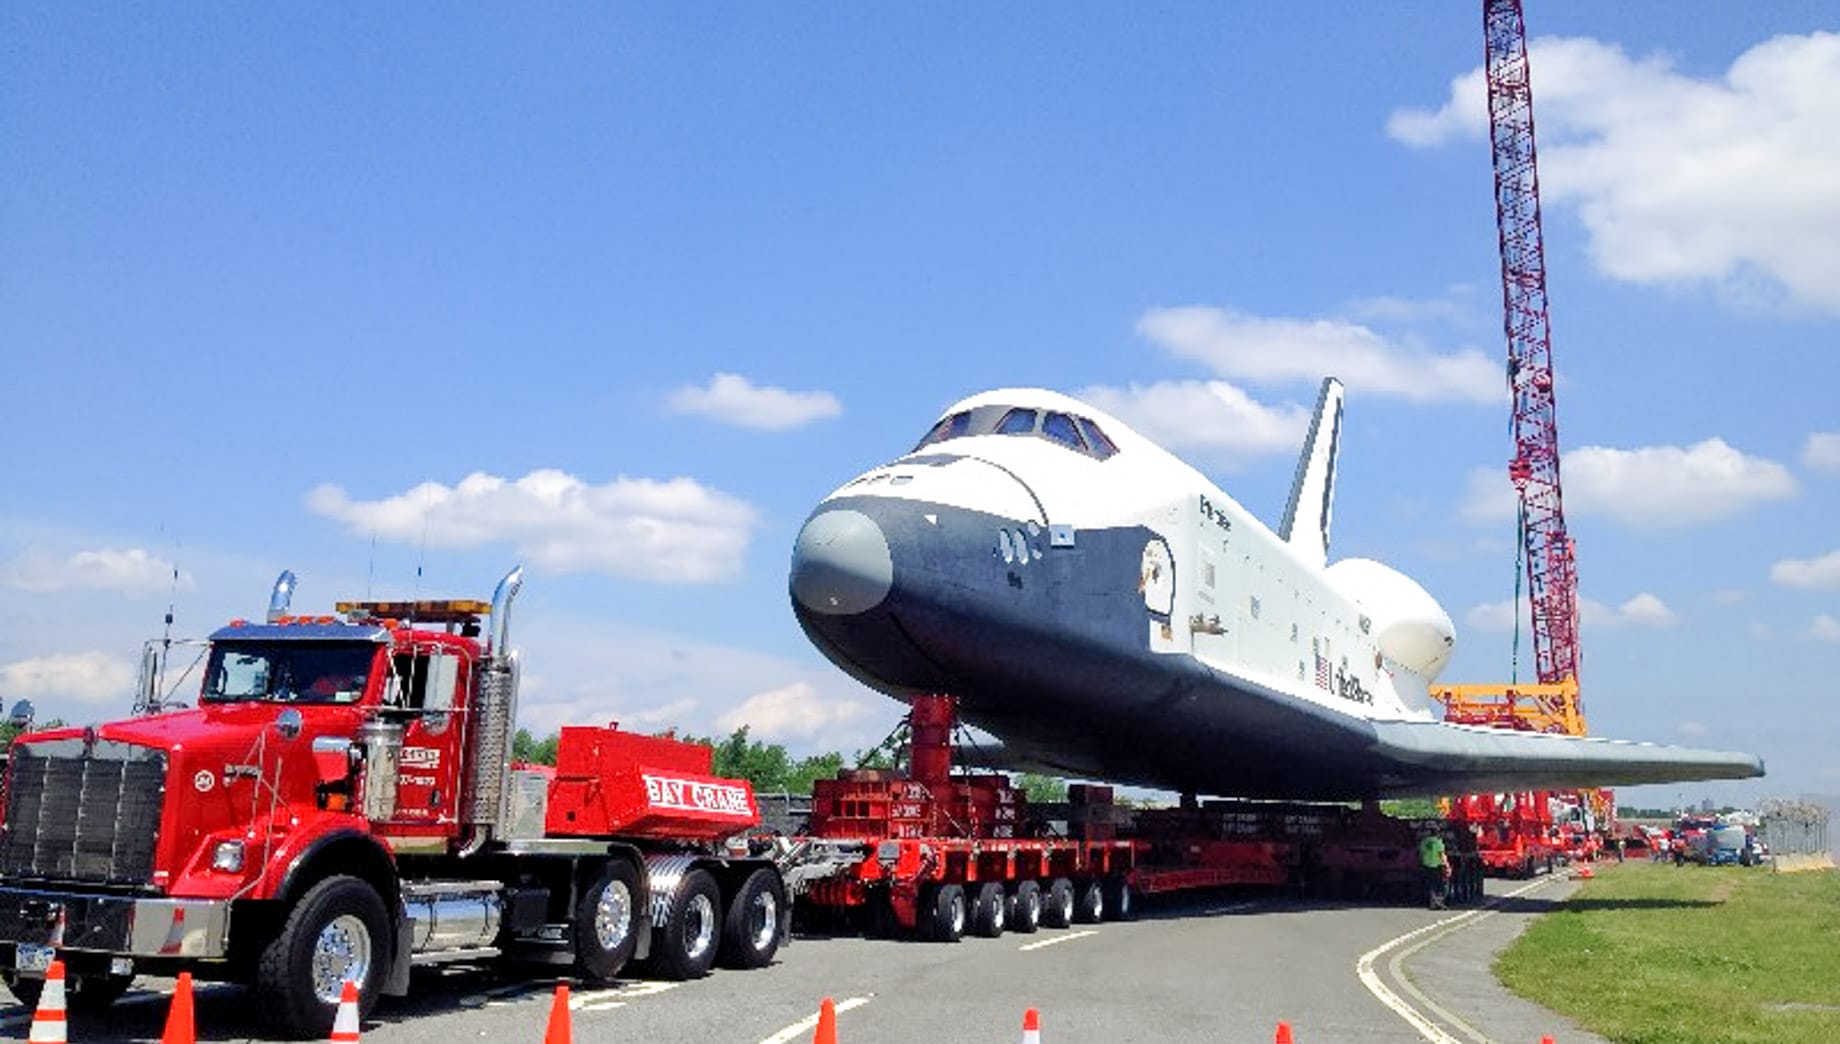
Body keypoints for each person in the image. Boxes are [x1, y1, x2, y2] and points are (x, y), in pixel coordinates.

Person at [1418, 830, 1451, 910]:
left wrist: (1422, 862)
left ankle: (1433, 903)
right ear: (1438, 834)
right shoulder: (1438, 842)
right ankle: (1438, 903)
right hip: (1437, 865)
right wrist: (1447, 865)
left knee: (1431, 885)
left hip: (1427, 865)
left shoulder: (1424, 842)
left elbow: (1421, 853)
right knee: (1440, 886)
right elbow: (1441, 854)